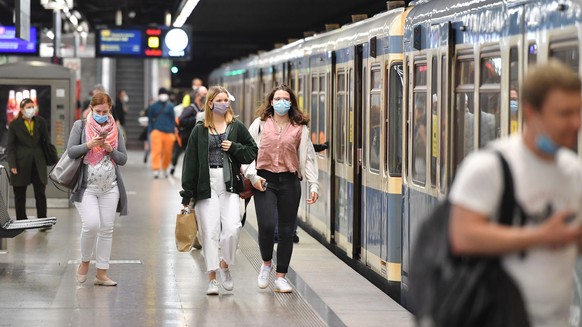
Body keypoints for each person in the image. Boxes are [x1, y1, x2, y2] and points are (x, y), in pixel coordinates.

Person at [449, 60, 582, 327]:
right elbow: (462, 236)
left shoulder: (574, 172)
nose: (575, 122)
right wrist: (541, 235)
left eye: (578, 111)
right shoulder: (489, 167)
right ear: (531, 112)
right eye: (564, 113)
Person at [180, 85, 258, 295]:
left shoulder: (236, 126)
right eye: (220, 100)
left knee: (233, 227)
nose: (224, 103)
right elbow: (190, 162)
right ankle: (212, 278)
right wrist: (187, 194)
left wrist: (234, 148)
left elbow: (252, 151)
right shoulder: (199, 129)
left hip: (229, 184)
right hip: (206, 187)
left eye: (226, 100)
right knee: (209, 232)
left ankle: (225, 264)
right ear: (211, 103)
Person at [245, 84, 319, 293]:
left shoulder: (300, 128)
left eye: (285, 99)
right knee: (267, 226)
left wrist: (314, 184)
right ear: (271, 101)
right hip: (264, 180)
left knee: (286, 231)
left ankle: (281, 277)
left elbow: (309, 157)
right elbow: (246, 152)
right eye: (277, 98)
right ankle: (266, 263)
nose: (281, 102)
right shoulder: (259, 124)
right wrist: (252, 175)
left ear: (292, 102)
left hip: (289, 181)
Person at [67, 92, 128, 286]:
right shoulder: (81, 126)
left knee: (106, 229)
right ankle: (85, 261)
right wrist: (88, 145)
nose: (101, 114)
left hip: (110, 187)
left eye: (105, 110)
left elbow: (123, 159)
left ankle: (102, 273)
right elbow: (70, 151)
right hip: (86, 187)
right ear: (91, 109)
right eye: (98, 111)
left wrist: (111, 149)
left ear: (110, 109)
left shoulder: (115, 130)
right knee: (91, 224)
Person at [6, 98, 50, 223]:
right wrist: (12, 164)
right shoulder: (14, 124)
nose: (31, 109)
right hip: (20, 162)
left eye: (33, 107)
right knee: (19, 194)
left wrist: (49, 157)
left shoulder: (40, 122)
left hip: (38, 161)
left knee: (40, 193)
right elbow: (11, 146)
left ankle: (42, 220)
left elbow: (46, 141)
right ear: (22, 109)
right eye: (28, 107)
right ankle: (21, 220)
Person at [170, 86, 208, 176]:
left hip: (195, 138)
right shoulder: (190, 109)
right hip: (187, 138)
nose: (206, 96)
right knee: (181, 155)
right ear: (198, 96)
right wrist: (195, 118)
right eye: (204, 94)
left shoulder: (202, 109)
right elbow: (181, 121)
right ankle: (173, 166)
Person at [147, 88, 175, 178]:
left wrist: (173, 131)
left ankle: (165, 167)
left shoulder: (170, 106)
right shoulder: (153, 106)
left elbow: (173, 119)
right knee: (156, 150)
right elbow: (150, 119)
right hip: (156, 131)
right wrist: (151, 131)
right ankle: (156, 169)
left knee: (168, 152)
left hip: (169, 132)